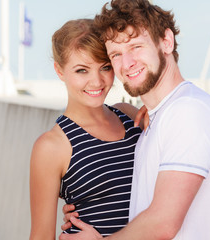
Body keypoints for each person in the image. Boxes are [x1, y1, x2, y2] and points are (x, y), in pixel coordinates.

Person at [59, 0, 210, 239]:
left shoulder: (188, 112)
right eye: (115, 54)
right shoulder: (158, 117)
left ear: (166, 42)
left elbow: (163, 223)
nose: (127, 63)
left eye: (136, 46)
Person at [29, 18, 144, 239]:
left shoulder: (130, 115)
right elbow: (41, 235)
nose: (96, 81)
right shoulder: (51, 146)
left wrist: (155, 109)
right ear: (60, 71)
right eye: (82, 70)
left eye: (105, 67)